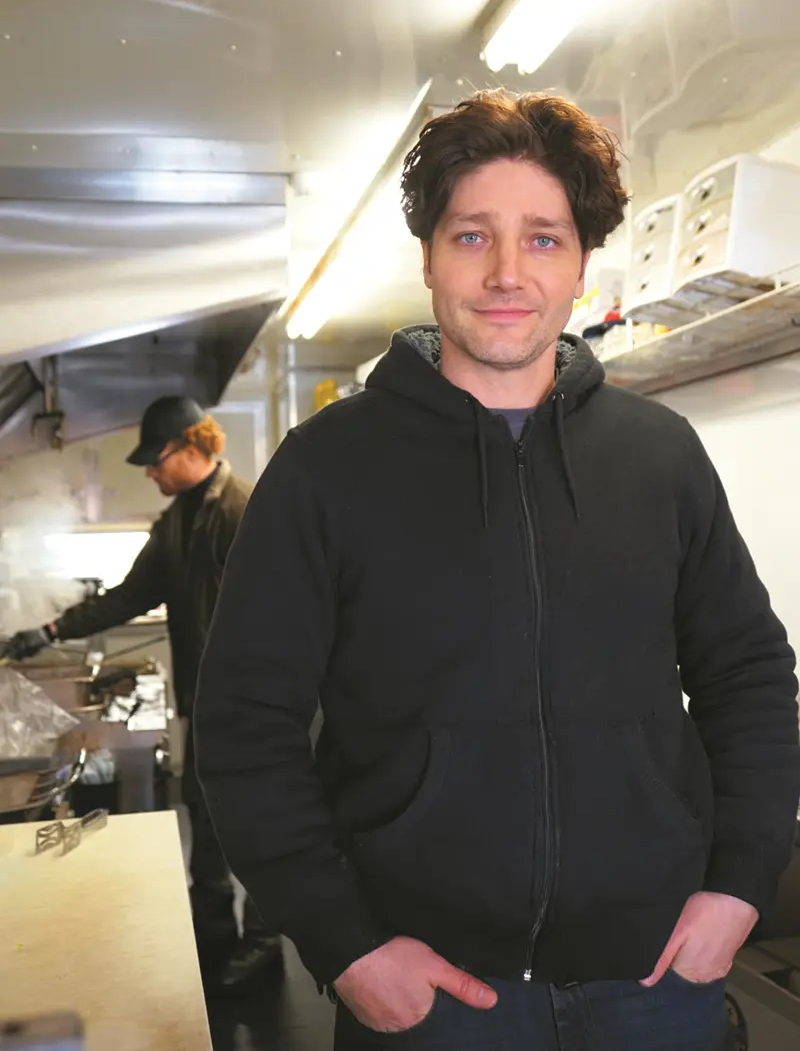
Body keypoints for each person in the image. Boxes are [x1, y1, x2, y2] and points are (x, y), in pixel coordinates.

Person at [194, 92, 800, 1049]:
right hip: (436, 998)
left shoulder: (661, 457)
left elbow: (750, 677)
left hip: (655, 982)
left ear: (582, 264)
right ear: (429, 257)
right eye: (473, 236)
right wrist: (345, 944)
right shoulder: (326, 470)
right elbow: (242, 727)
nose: (509, 273)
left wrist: (739, 886)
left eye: (545, 239)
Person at [6, 395, 283, 997]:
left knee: (258, 826)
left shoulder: (244, 511)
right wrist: (51, 631)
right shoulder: (178, 520)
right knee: (205, 815)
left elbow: (283, 618)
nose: (150, 474)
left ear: (193, 447)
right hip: (204, 702)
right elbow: (130, 595)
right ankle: (212, 935)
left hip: (255, 708)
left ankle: (262, 948)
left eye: (155, 462)